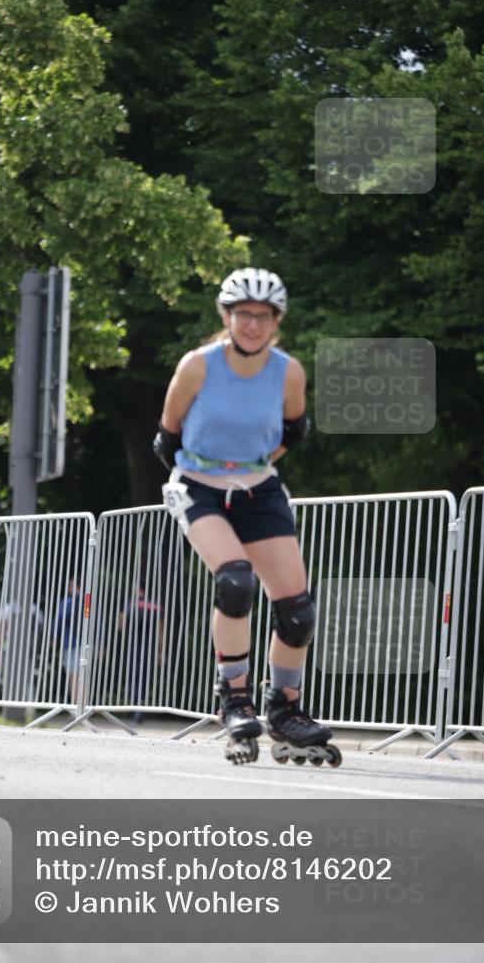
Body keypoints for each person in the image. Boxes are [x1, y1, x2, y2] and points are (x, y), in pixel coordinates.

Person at [153, 267, 341, 767]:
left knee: (297, 608)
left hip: (258, 485)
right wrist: (202, 478)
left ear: (276, 321)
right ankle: (235, 700)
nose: (252, 324)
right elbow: (166, 438)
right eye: (243, 314)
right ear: (226, 316)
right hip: (197, 486)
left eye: (262, 316)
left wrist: (250, 469)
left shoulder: (289, 372)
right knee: (235, 582)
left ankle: (285, 708)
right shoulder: (198, 366)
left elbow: (293, 431)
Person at [117, 584, 164, 724]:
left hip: (133, 645)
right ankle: (139, 710)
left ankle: (135, 709)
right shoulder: (156, 607)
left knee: (133, 677)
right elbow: (160, 631)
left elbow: (121, 627)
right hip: (150, 647)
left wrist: (120, 615)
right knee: (144, 678)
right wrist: (161, 652)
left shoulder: (130, 604)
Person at [53, 577, 83, 704]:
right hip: (84, 643)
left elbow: (58, 621)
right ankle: (80, 706)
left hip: (70, 642)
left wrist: (53, 637)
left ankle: (75, 706)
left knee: (73, 675)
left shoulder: (67, 602)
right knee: (80, 676)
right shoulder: (87, 602)